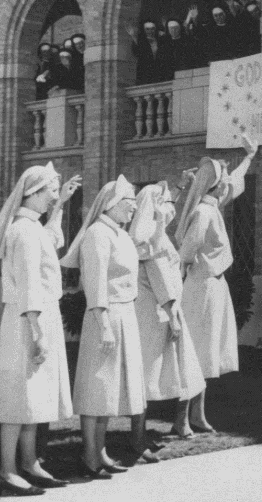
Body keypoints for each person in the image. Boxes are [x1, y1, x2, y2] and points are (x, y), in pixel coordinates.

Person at [0, 165, 81, 495]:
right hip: (26, 321)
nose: (52, 196)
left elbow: (51, 238)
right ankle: (7, 469)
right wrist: (37, 333)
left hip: (36, 317)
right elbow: (30, 283)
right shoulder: (22, 231)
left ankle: (30, 461)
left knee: (34, 398)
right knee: (19, 396)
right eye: (49, 191)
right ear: (32, 192)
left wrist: (61, 203)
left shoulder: (31, 227)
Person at [60, 176, 144, 479]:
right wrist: (104, 324)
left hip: (124, 314)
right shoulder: (97, 234)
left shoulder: (120, 234)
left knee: (110, 388)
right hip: (103, 316)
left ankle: (102, 451)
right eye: (129, 203)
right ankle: (89, 454)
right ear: (112, 204)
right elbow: (94, 282)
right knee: (96, 385)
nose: (133, 209)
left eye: (134, 203)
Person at [174, 134, 258, 431]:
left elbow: (234, 183)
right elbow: (185, 253)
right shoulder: (203, 213)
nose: (225, 183)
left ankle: (197, 415)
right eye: (221, 178)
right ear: (213, 185)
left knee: (207, 351)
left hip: (213, 286)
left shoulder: (212, 206)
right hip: (201, 286)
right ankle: (181, 419)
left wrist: (249, 157)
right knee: (196, 350)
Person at [128, 178, 206, 455]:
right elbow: (162, 282)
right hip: (157, 315)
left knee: (177, 370)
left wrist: (179, 188)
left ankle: (175, 424)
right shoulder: (152, 242)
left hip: (159, 312)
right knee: (150, 374)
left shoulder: (151, 237)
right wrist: (173, 315)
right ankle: (138, 437)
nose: (171, 208)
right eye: (165, 204)